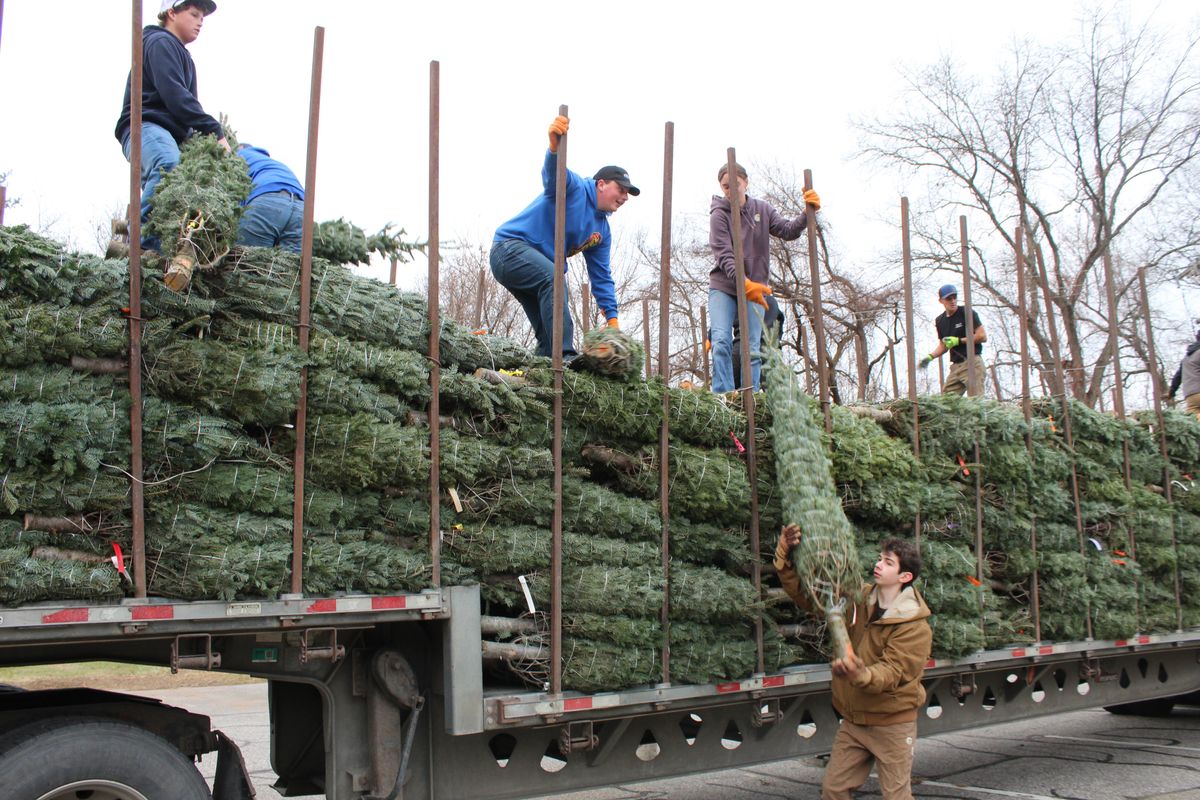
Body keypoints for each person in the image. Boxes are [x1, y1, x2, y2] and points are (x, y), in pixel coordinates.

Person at [775, 526, 932, 800]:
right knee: (833, 791)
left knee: (896, 796)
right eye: (880, 558)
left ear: (905, 576)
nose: (878, 564)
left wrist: (858, 673)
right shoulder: (858, 598)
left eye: (888, 562)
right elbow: (811, 597)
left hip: (892, 725)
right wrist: (786, 556)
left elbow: (893, 672)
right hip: (854, 722)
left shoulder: (914, 625)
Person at [490, 115, 637, 359]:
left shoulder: (601, 232)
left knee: (548, 336)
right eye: (621, 190)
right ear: (601, 184)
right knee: (555, 279)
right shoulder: (575, 187)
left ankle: (544, 370)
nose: (624, 197)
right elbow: (553, 174)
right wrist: (555, 148)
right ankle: (566, 356)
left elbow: (601, 275)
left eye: (628, 194)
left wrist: (612, 318)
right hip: (509, 249)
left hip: (532, 267)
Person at [114, 0, 229, 248]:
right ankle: (141, 247)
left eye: (203, 18)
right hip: (145, 126)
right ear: (170, 13)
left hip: (166, 134)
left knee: (180, 189)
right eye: (194, 14)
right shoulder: (160, 42)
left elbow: (186, 110)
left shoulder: (183, 56)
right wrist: (214, 130)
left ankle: (159, 249)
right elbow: (176, 97)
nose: (200, 22)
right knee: (168, 165)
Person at [708, 162, 818, 392]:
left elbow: (787, 231)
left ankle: (751, 394)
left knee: (752, 345)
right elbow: (724, 254)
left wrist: (807, 213)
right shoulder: (719, 214)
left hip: (756, 288)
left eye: (735, 185)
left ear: (745, 182)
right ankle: (723, 396)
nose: (730, 191)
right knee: (720, 341)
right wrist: (742, 282)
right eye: (725, 187)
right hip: (725, 287)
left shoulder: (762, 210)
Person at [919, 284, 987, 396]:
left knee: (976, 402)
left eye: (955, 297)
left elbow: (982, 336)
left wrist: (959, 341)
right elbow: (943, 345)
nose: (953, 301)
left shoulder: (966, 313)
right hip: (956, 367)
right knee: (946, 401)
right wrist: (930, 357)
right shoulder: (940, 321)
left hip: (972, 362)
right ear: (941, 301)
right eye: (949, 299)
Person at [235, 144, 305, 253]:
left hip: (267, 199)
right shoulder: (271, 163)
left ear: (240, 147)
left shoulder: (239, 155)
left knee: (244, 261)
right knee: (289, 266)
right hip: (302, 208)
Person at [1168, 328, 1200, 421]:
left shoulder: (1186, 357)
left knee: (1195, 422)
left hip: (1190, 396)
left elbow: (1178, 376)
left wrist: (1171, 391)